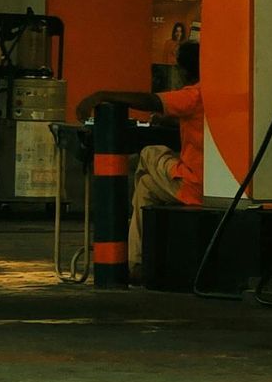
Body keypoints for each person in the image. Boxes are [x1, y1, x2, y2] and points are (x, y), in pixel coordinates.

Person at [85, 33, 204, 283]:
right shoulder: (212, 94)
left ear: (182, 71)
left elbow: (151, 100)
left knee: (149, 152)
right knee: (146, 187)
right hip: (211, 185)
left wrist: (102, 95)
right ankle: (136, 262)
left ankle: (128, 257)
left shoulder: (191, 94)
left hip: (193, 186)